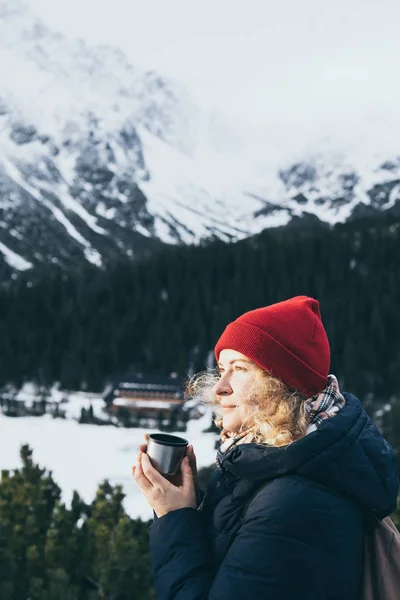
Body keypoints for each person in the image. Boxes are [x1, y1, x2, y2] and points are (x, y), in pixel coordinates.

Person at [132, 295, 399, 600]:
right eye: (222, 369)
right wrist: (190, 505)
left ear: (281, 382)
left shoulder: (295, 502)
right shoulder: (278, 462)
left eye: (241, 368)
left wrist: (174, 517)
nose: (221, 387)